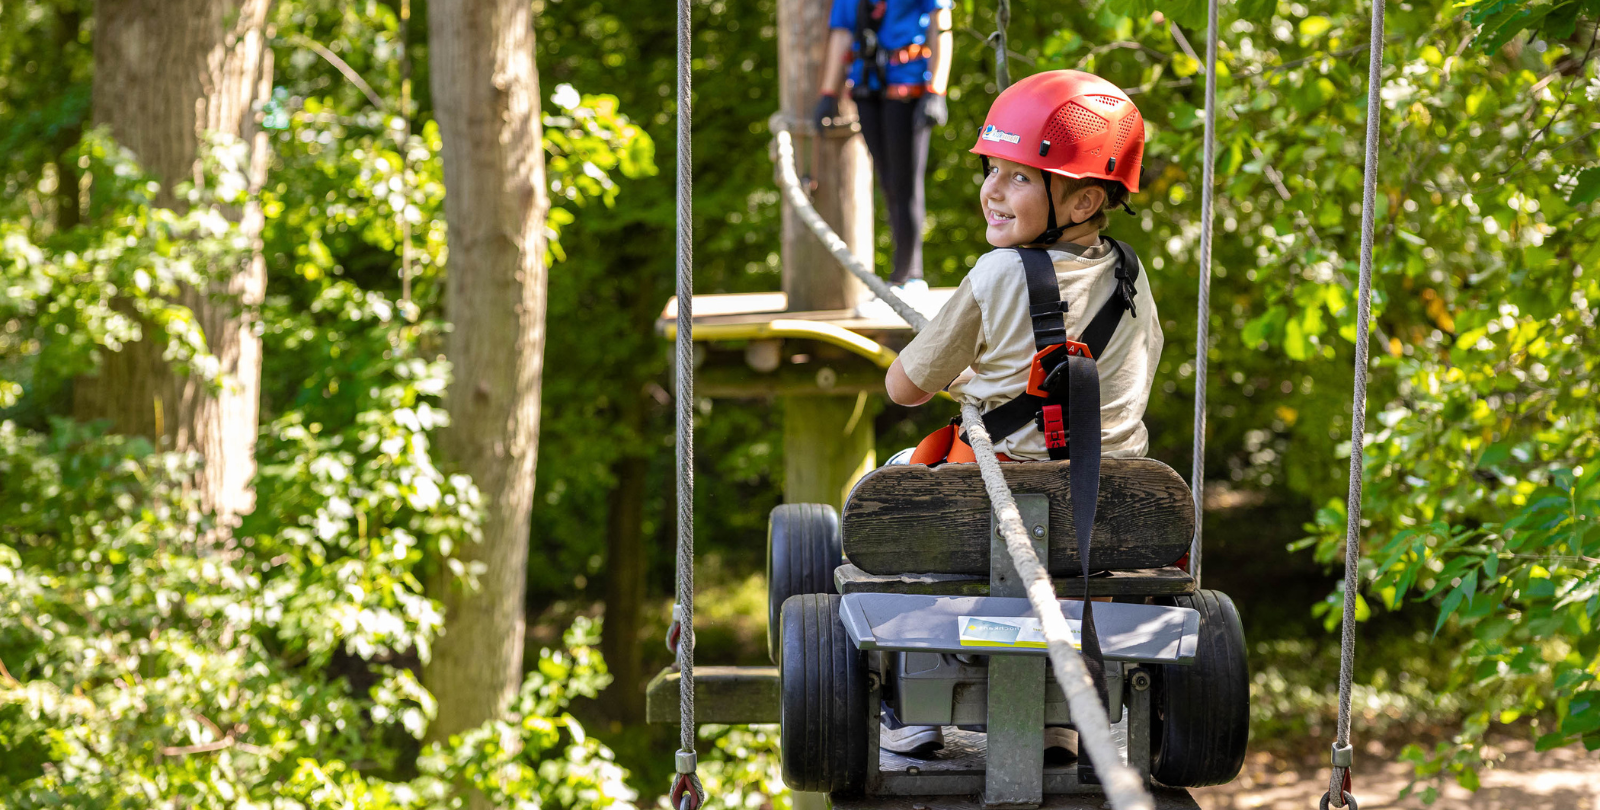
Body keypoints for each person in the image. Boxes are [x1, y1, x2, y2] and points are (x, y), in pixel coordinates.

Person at [876, 69, 1162, 758]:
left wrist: (966, 382)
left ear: (1083, 198)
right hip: (1108, 512)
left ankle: (910, 703)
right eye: (992, 170)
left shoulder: (998, 272)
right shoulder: (1131, 276)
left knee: (887, 488)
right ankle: (1057, 717)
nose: (993, 190)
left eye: (1020, 177)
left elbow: (903, 388)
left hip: (999, 502)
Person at [813, 0, 953, 297]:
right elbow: (842, 35)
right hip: (868, 87)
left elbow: (941, 26)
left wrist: (936, 91)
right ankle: (903, 276)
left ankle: (909, 278)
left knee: (905, 184)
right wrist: (828, 93)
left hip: (908, 88)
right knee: (888, 182)